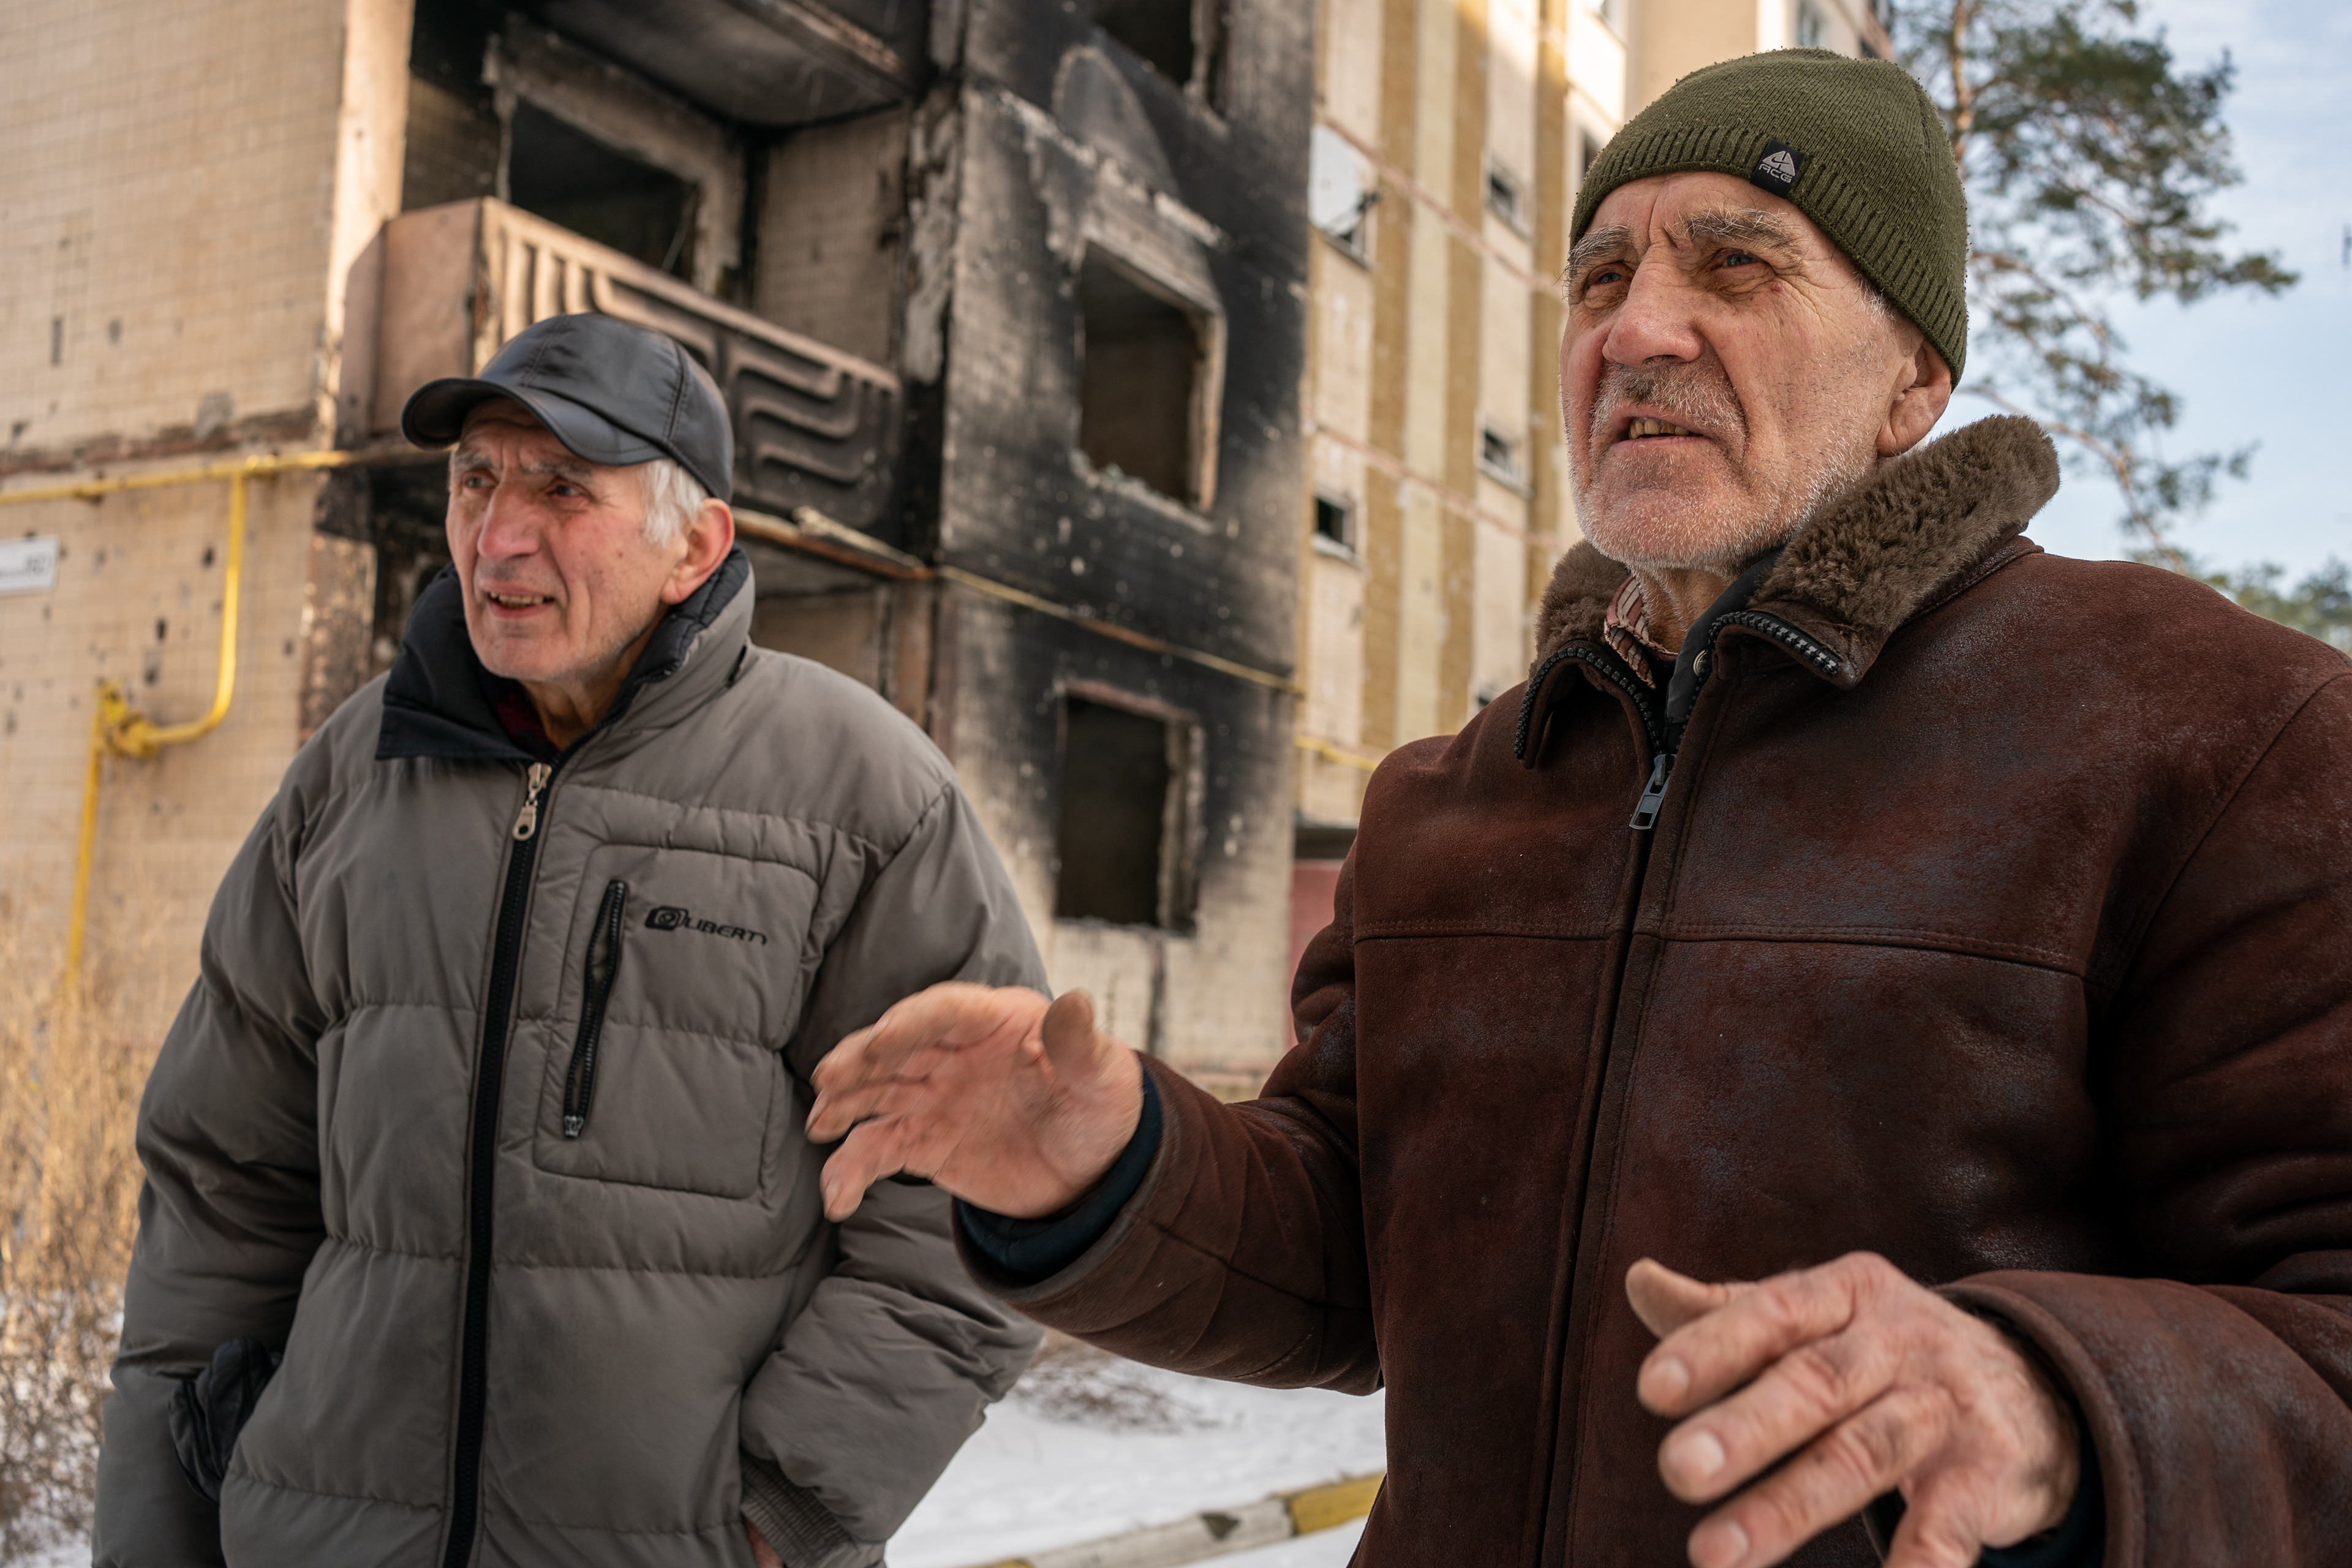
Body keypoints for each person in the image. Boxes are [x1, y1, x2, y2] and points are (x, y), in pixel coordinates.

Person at [800, 50, 2352, 1568]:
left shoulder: (2216, 732)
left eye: (1738, 267)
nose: (1639, 331)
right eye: (1600, 279)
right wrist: (1113, 1159)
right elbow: (1355, 1257)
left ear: (1913, 384)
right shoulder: (1452, 795)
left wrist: (2062, 1407)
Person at [93, 313, 1043, 1568]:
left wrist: (771, 1517)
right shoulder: (353, 773)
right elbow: (221, 1189)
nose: (499, 535)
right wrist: (162, 1534)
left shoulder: (861, 794)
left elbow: (976, 1204)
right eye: (475, 479)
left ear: (694, 544)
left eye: (562, 488)